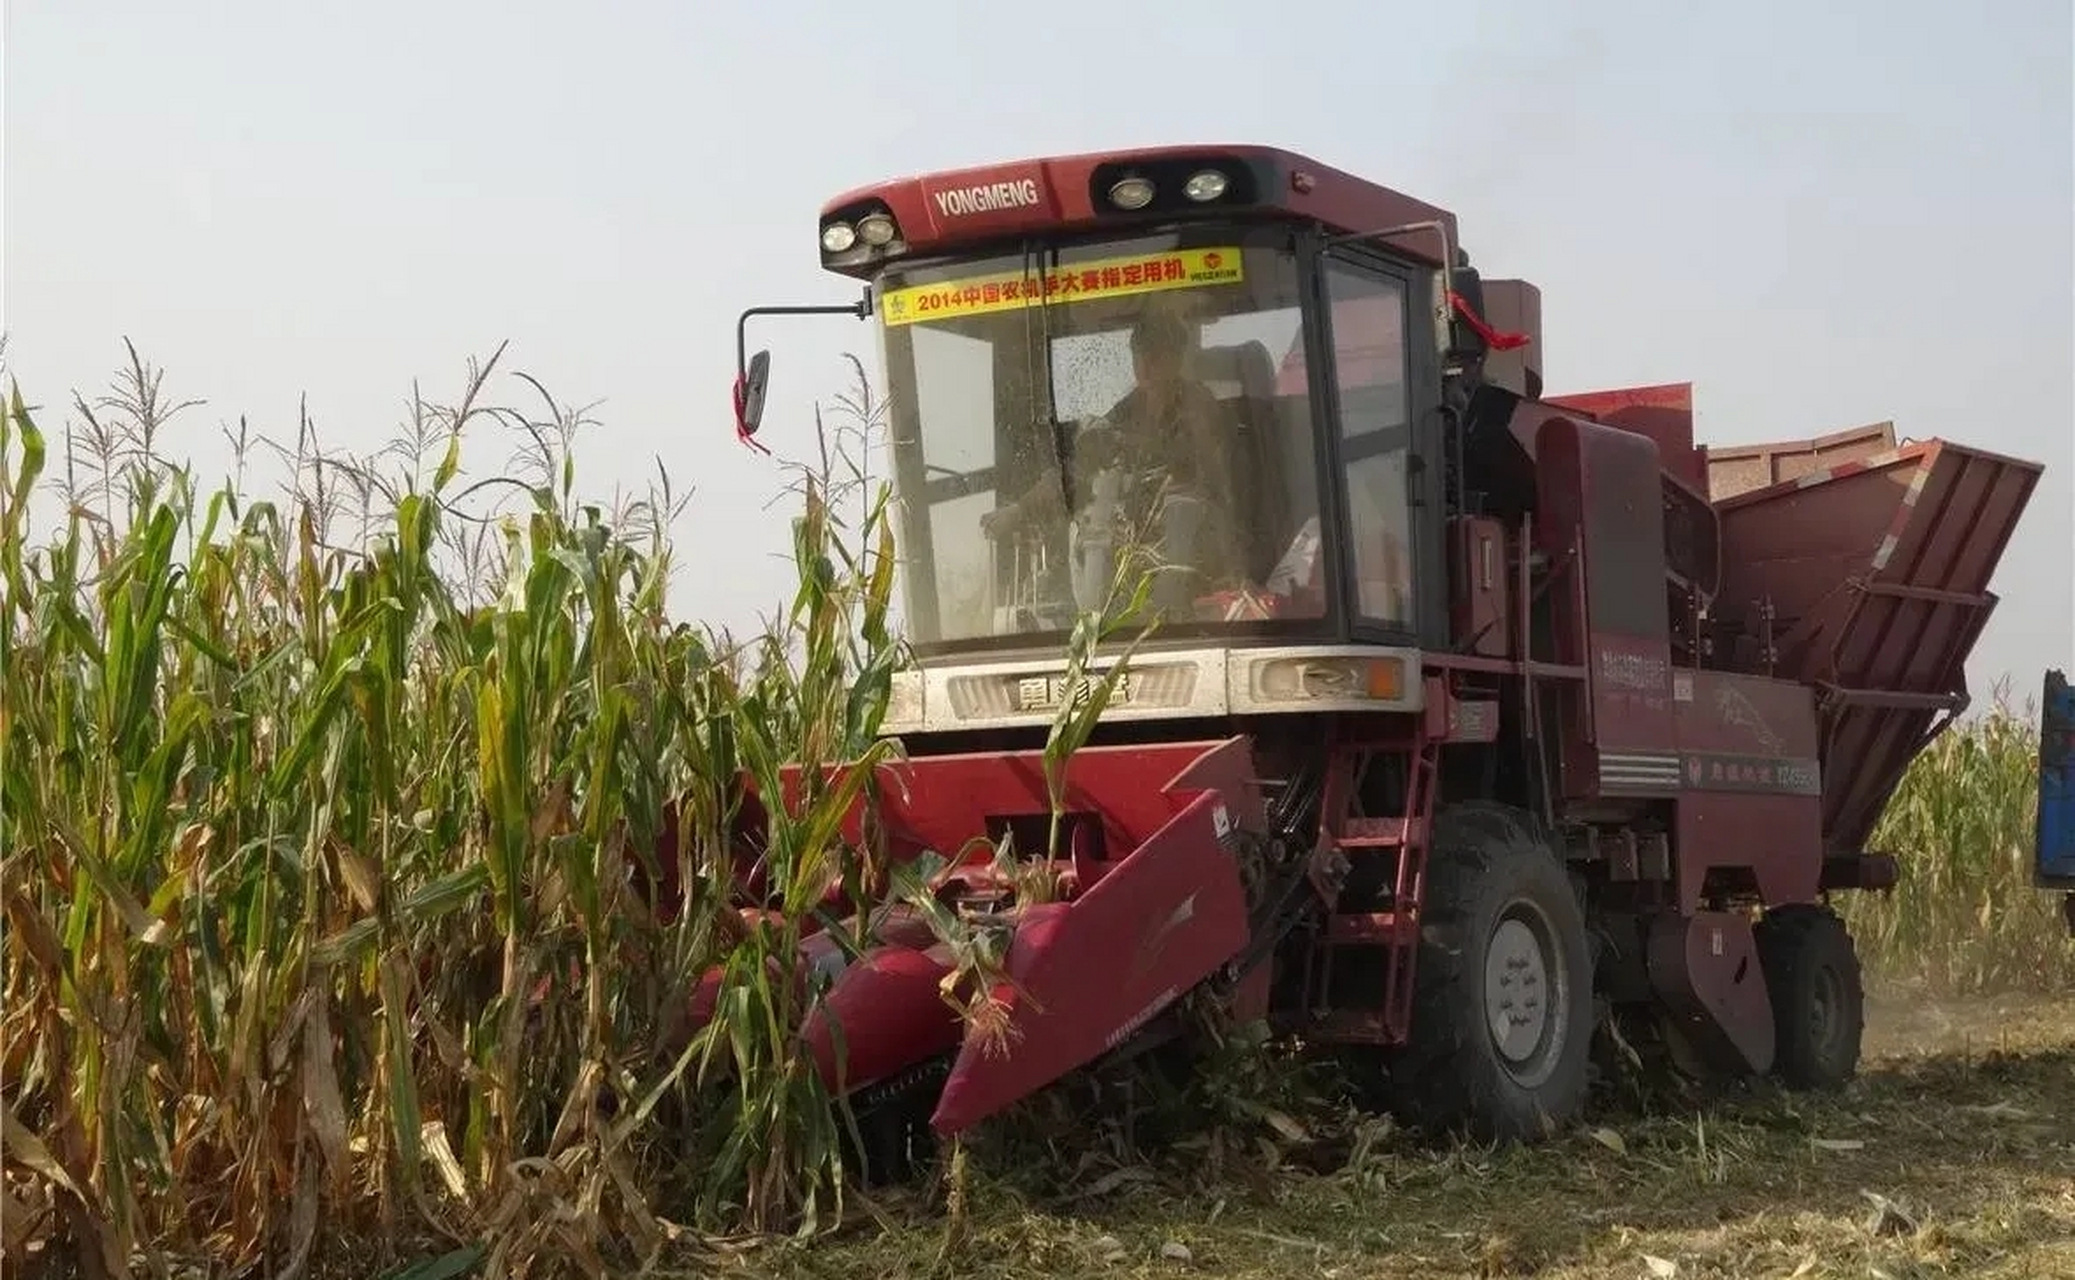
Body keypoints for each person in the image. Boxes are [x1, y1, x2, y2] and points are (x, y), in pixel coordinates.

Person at [981, 310, 1245, 605]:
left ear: (1175, 358)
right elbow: (1077, 472)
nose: (1144, 366)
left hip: (1196, 537)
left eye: (1155, 356)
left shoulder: (1199, 404)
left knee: (1180, 514)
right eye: (1138, 355)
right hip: (1137, 545)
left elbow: (1210, 471)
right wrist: (1020, 510)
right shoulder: (1123, 413)